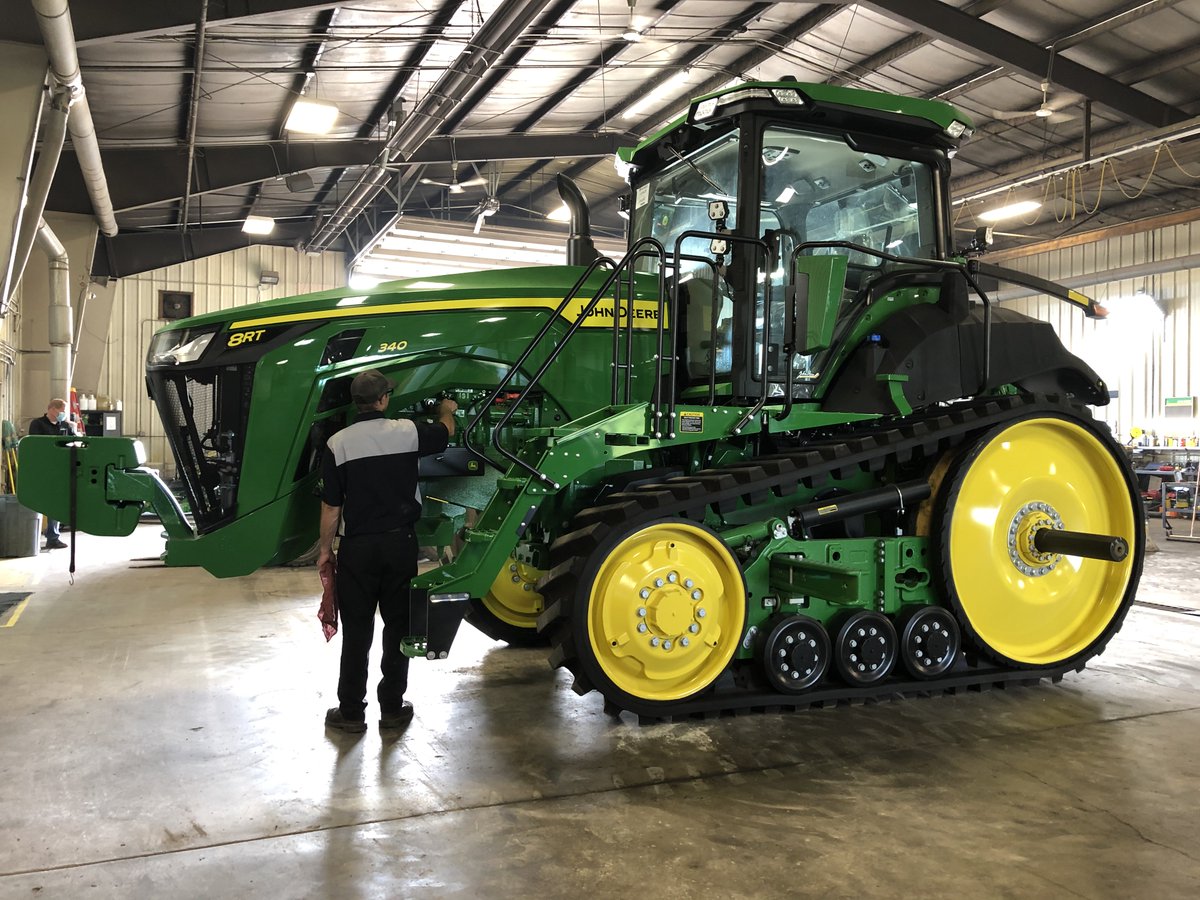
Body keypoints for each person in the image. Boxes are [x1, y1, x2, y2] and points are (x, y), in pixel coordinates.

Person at [318, 370, 457, 733]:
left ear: (356, 402)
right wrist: (447, 409)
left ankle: (350, 712)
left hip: (357, 549)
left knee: (358, 633)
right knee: (398, 628)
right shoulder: (407, 431)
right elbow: (445, 434)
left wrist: (324, 551)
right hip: (399, 544)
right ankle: (392, 709)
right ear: (383, 400)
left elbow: (331, 507)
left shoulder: (338, 444)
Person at [28, 398, 75, 550]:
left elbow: (75, 442)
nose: (63, 414)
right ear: (52, 409)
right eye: (62, 411)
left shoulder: (66, 426)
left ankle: (53, 537)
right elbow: (36, 445)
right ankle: (31, 534)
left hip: (60, 468)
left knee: (57, 503)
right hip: (42, 468)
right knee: (38, 501)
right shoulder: (37, 424)